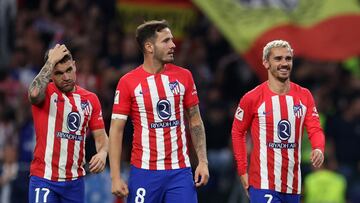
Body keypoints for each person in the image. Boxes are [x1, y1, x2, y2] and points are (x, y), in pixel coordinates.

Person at [109, 20, 209, 203]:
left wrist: (203, 161)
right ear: (149, 47)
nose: (173, 45)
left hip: (180, 172)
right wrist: (115, 176)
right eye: (166, 41)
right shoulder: (128, 82)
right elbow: (116, 130)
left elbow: (195, 120)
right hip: (144, 172)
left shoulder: (184, 76)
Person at [231, 40, 325, 203]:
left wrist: (318, 148)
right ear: (266, 63)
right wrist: (242, 170)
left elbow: (315, 129)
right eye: (278, 59)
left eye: (288, 59)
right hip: (263, 183)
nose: (284, 63)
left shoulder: (304, 96)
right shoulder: (252, 98)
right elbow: (238, 132)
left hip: (293, 184)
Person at [27, 44, 109, 203]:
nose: (66, 77)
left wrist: (102, 153)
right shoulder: (46, 93)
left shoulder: (90, 99)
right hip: (44, 178)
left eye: (69, 70)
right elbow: (34, 93)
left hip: (75, 183)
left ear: (75, 66)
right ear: (50, 74)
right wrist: (50, 61)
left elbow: (101, 137)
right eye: (58, 73)